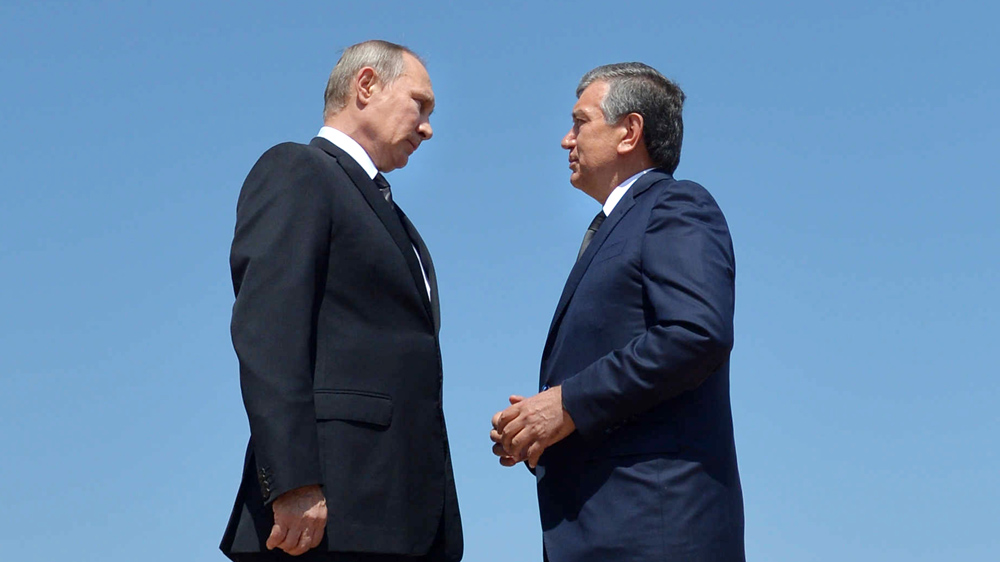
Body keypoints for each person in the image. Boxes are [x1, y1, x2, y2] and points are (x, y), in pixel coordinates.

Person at [491, 63, 744, 561]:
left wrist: (568, 404)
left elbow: (695, 333)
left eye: (580, 122)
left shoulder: (675, 205)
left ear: (629, 132)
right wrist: (537, 428)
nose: (567, 139)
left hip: (656, 533)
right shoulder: (614, 227)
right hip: (605, 531)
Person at [220, 40, 462, 562]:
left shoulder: (393, 217)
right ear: (366, 85)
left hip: (403, 517)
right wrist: (293, 480)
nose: (427, 127)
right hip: (326, 515)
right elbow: (268, 331)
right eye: (419, 104)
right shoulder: (298, 170)